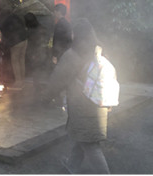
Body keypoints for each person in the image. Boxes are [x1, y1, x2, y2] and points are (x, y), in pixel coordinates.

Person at [41, 18, 112, 174]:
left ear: (76, 35)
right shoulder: (99, 51)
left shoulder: (73, 54)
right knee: (82, 137)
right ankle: (72, 167)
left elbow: (58, 79)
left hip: (82, 104)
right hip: (98, 101)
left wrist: (45, 97)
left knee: (90, 144)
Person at [0, 9, 29, 89]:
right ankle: (22, 80)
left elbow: (3, 34)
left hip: (16, 41)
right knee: (21, 60)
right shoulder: (16, 16)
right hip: (24, 39)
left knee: (15, 61)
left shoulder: (4, 21)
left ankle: (18, 82)